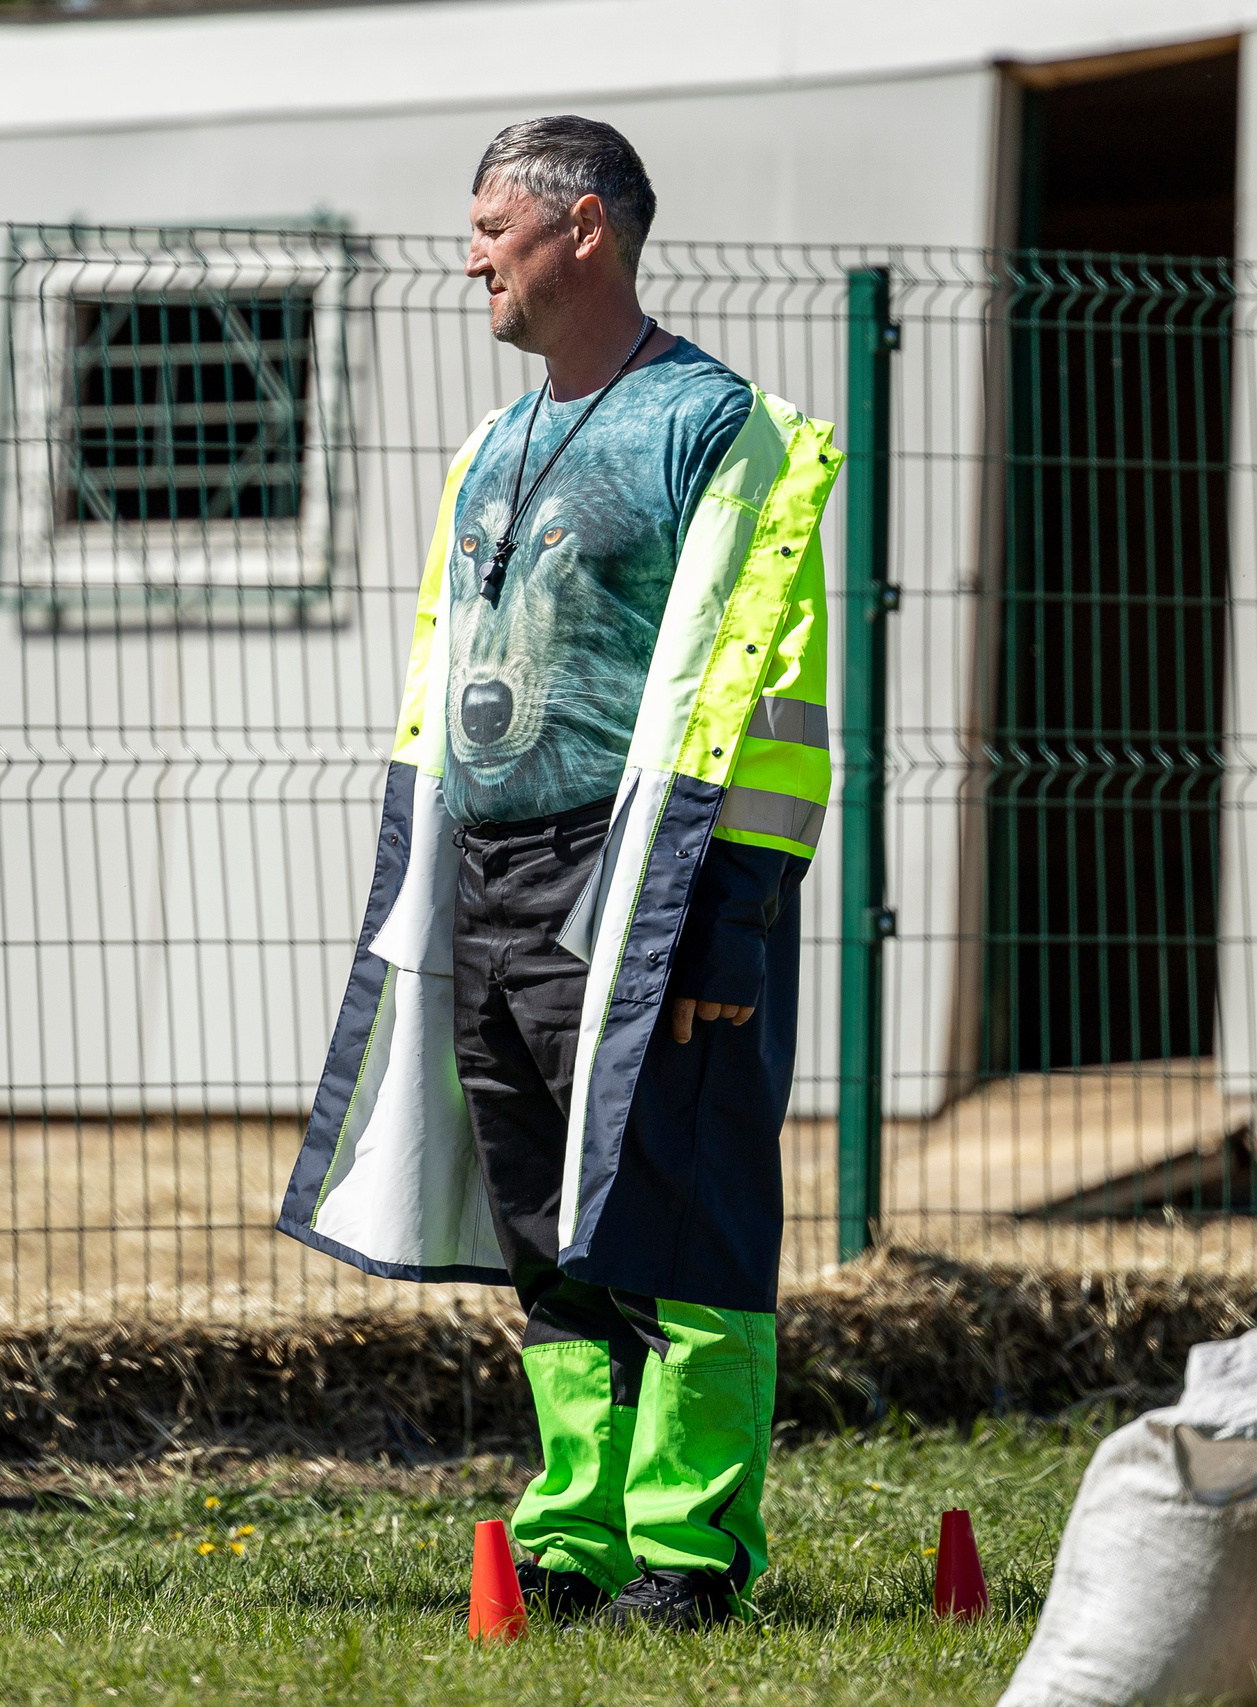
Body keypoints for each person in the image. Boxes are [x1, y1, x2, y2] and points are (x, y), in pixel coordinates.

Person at [277, 117, 841, 1629]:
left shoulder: (719, 429)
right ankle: (579, 1536)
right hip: (490, 884)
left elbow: (770, 700)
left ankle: (690, 1548)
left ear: (582, 229)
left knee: (687, 1211)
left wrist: (728, 926)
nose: (469, 256)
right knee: (547, 1230)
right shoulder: (490, 447)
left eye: (489, 228)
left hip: (649, 884)